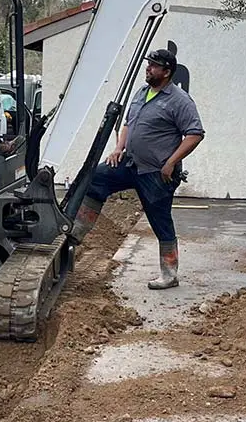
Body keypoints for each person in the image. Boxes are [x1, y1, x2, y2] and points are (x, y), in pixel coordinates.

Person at [71, 48, 204, 290]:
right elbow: (128, 124)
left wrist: (171, 162)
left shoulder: (180, 101)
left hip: (156, 173)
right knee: (95, 178)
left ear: (166, 72)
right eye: (148, 64)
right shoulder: (142, 92)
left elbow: (195, 134)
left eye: (154, 66)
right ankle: (76, 232)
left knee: (160, 221)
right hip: (129, 163)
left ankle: (169, 274)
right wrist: (118, 148)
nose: (148, 68)